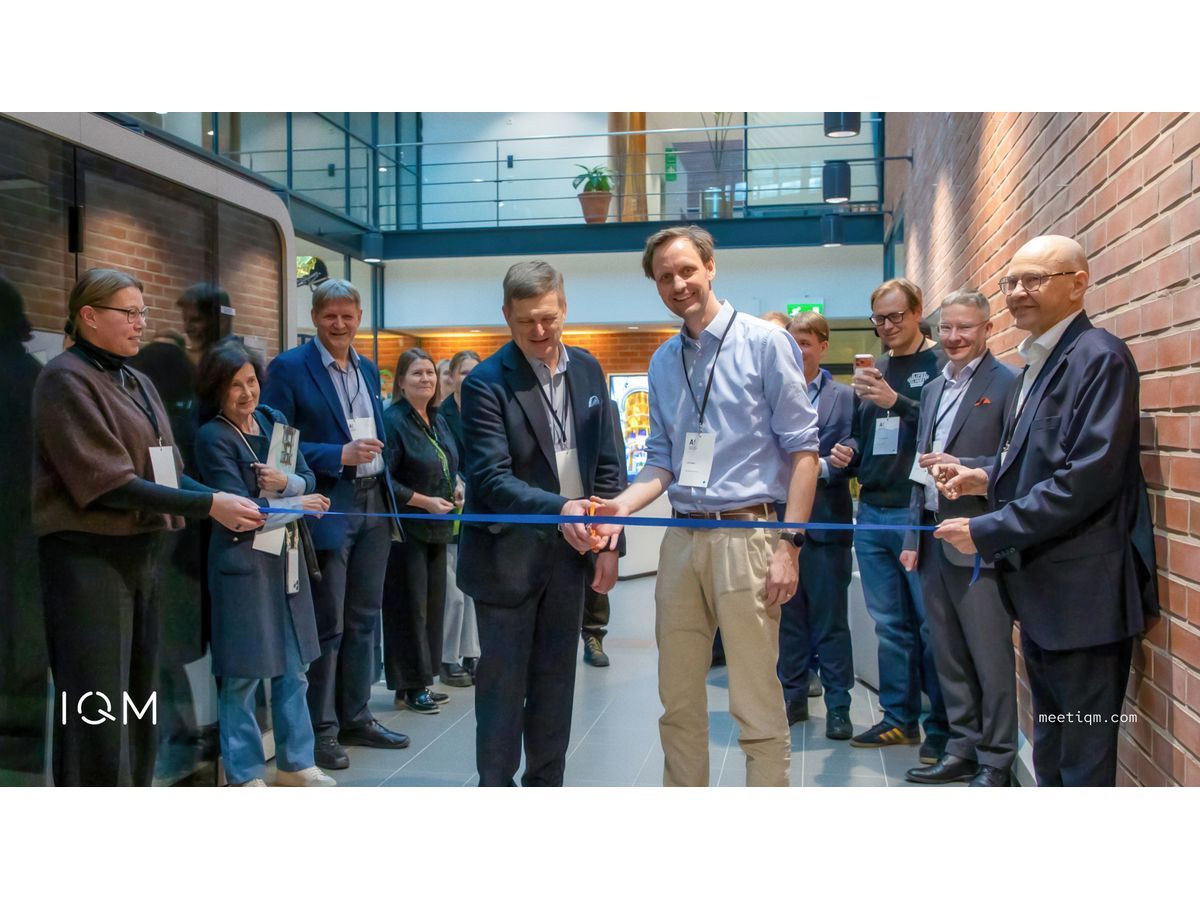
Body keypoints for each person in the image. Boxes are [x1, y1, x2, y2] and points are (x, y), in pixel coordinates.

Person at [593, 226, 819, 787]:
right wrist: (618, 506)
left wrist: (789, 545)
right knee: (677, 700)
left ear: (710, 267)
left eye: (686, 270)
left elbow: (805, 452)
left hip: (749, 538)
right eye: (664, 277)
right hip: (682, 539)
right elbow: (663, 461)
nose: (678, 284)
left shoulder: (766, 344)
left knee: (755, 700)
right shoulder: (664, 360)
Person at [933, 235, 1158, 787]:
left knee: (1081, 761)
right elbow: (1036, 456)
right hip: (1042, 595)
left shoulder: (1098, 357)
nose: (1018, 292)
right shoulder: (1041, 359)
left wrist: (988, 528)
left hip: (1084, 598)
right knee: (1053, 752)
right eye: (1010, 281)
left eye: (1035, 279)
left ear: (1079, 283)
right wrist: (983, 473)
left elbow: (1087, 478)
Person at [31, 268, 265, 785]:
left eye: (143, 313)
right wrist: (210, 507)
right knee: (95, 704)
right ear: (89, 316)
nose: (141, 323)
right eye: (129, 313)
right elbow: (108, 482)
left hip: (142, 555)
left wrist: (215, 497)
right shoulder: (64, 378)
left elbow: (164, 470)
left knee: (139, 699)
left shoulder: (135, 379)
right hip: (88, 560)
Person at [457, 260, 623, 787]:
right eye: (527, 320)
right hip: (507, 559)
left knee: (556, 685)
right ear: (507, 314)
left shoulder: (590, 370)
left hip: (571, 553)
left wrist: (609, 542)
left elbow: (607, 462)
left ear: (565, 307)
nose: (540, 330)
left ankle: (546, 787)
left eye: (549, 317)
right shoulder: (487, 383)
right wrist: (561, 509)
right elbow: (490, 478)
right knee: (503, 691)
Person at [261, 278, 410, 771]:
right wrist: (337, 455)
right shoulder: (288, 368)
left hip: (374, 504)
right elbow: (278, 446)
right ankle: (320, 728)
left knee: (366, 619)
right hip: (329, 505)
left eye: (348, 316)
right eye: (330, 316)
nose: (340, 324)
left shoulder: (366, 368)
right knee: (329, 623)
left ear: (359, 315)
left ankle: (356, 714)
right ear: (315, 316)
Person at [193, 340, 335, 787]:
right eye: (234, 385)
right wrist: (300, 501)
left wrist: (288, 483)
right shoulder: (213, 436)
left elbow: (308, 478)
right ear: (217, 390)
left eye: (251, 381)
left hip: (286, 558)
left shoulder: (275, 422)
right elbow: (241, 508)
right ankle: (245, 773)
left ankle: (296, 762)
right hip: (242, 563)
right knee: (242, 675)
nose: (246, 392)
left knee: (295, 668)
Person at [897, 290, 1020, 787]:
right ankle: (962, 747)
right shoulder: (932, 390)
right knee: (946, 653)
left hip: (978, 540)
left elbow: (1018, 465)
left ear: (988, 328)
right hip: (932, 538)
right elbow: (920, 469)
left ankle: (997, 760)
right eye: (946, 328)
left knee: (989, 657)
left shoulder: (1009, 383)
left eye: (965, 328)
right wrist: (912, 533)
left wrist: (968, 469)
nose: (954, 338)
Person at [828, 278, 949, 764]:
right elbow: (865, 434)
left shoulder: (939, 364)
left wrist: (894, 401)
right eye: (879, 318)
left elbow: (944, 426)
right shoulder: (872, 369)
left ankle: (941, 727)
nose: (887, 326)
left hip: (915, 512)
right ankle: (900, 720)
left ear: (918, 312)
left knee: (929, 626)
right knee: (888, 626)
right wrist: (848, 453)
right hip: (870, 510)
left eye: (896, 316)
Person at [778, 311, 857, 739]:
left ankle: (839, 706)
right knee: (788, 622)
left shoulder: (845, 397)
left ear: (823, 346)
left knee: (831, 623)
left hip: (828, 528)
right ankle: (792, 699)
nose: (799, 350)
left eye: (806, 342)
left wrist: (837, 461)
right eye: (793, 342)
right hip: (780, 529)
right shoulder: (773, 392)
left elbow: (858, 445)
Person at [382, 348, 460, 713]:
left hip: (438, 529)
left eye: (430, 373)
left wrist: (455, 484)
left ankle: (421, 680)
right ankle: (411, 685)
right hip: (408, 530)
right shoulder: (393, 421)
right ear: (401, 381)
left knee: (432, 607)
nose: (426, 379)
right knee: (408, 610)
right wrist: (423, 501)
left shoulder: (436, 417)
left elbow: (447, 462)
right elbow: (386, 480)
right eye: (417, 374)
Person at [438, 350, 481, 685]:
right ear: (451, 376)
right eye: (463, 372)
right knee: (453, 592)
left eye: (474, 372)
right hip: (450, 510)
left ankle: (472, 653)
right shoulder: (441, 416)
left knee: (472, 591)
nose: (469, 378)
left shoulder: (486, 410)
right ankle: (448, 657)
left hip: (482, 511)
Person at [581, 398, 628, 668]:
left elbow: (615, 467)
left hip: (594, 502)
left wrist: (614, 545)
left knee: (596, 577)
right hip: (550, 506)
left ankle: (593, 635)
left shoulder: (604, 406)